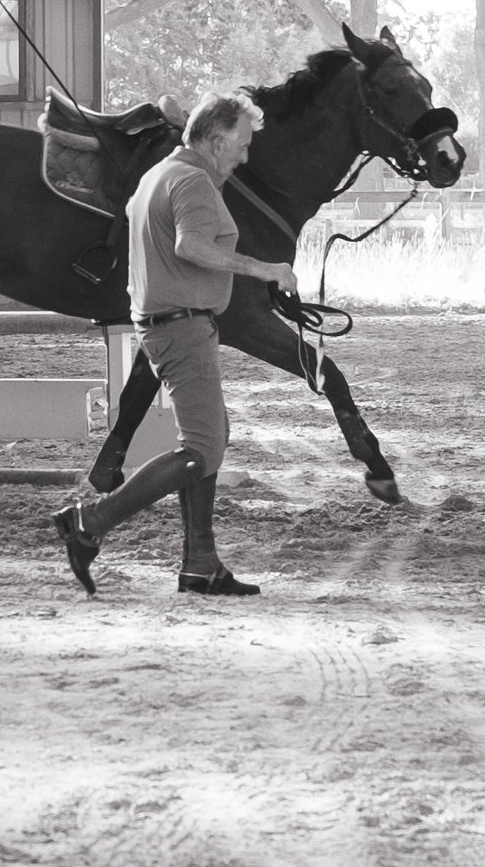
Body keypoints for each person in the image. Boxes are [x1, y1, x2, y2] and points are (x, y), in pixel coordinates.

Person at [50, 92, 296, 597]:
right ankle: (90, 521)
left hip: (170, 322)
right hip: (180, 325)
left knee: (210, 438)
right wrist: (266, 269)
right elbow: (191, 246)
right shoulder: (193, 181)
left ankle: (200, 563)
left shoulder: (160, 174)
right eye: (243, 145)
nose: (245, 156)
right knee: (205, 446)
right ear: (218, 137)